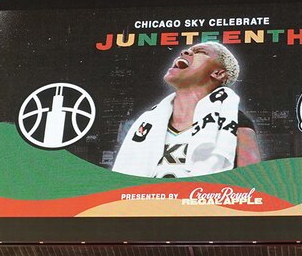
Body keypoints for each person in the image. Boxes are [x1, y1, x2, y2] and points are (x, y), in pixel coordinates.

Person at [112, 42, 261, 177]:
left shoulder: (236, 122)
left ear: (218, 73)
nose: (185, 52)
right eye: (188, 50)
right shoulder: (146, 123)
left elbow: (253, 186)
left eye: (201, 52)